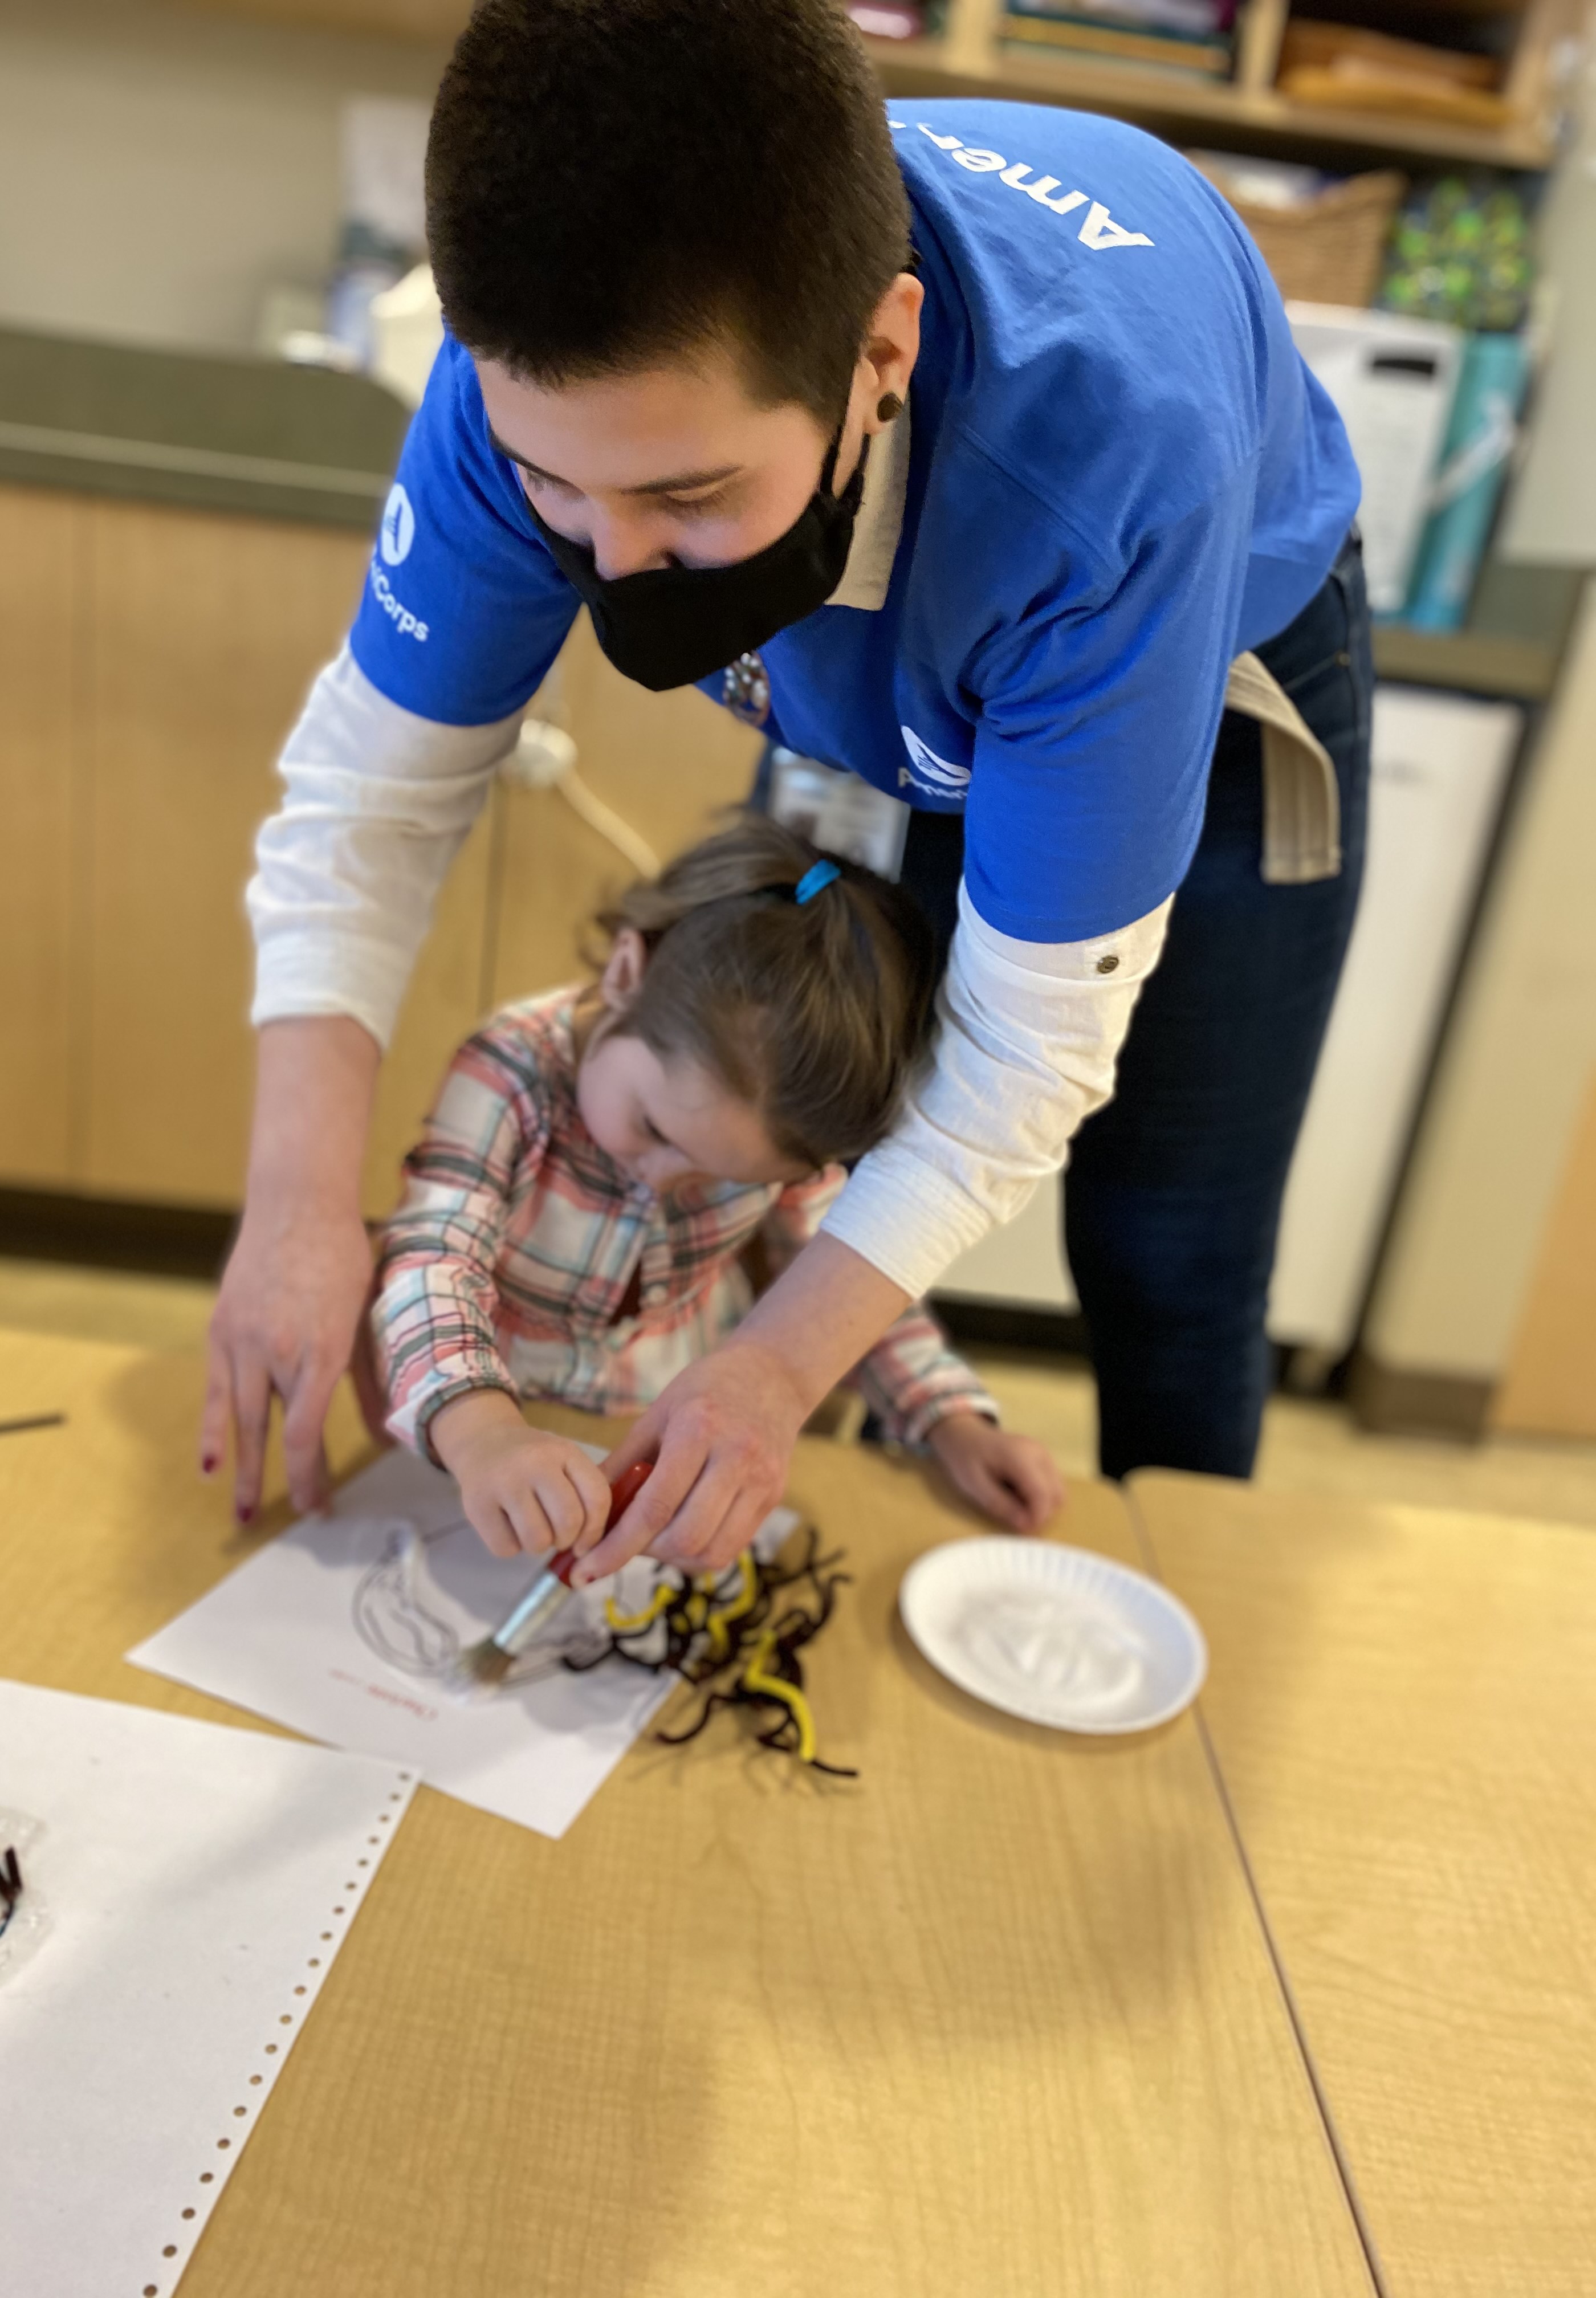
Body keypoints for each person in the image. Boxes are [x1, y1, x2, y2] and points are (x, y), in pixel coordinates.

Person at [202, 0, 1368, 1586]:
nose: (607, 564)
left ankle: (1178, 1627)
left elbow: (1035, 1048)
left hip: (1196, 643)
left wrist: (768, 1374)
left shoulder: (1101, 482)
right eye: (558, 484)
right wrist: (293, 1208)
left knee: (1169, 1237)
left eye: (682, 493)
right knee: (785, 1087)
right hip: (891, 574)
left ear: (877, 357)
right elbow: (371, 805)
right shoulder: (531, 382)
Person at [369, 818, 1062, 1557]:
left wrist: (950, 1421)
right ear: (626, 974)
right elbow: (431, 1262)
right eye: (656, 1130)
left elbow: (842, 1286)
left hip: (667, 1438)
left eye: (723, 1178)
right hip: (493, 1436)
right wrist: (483, 1435)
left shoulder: (785, 1128)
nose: (666, 1180)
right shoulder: (508, 1073)